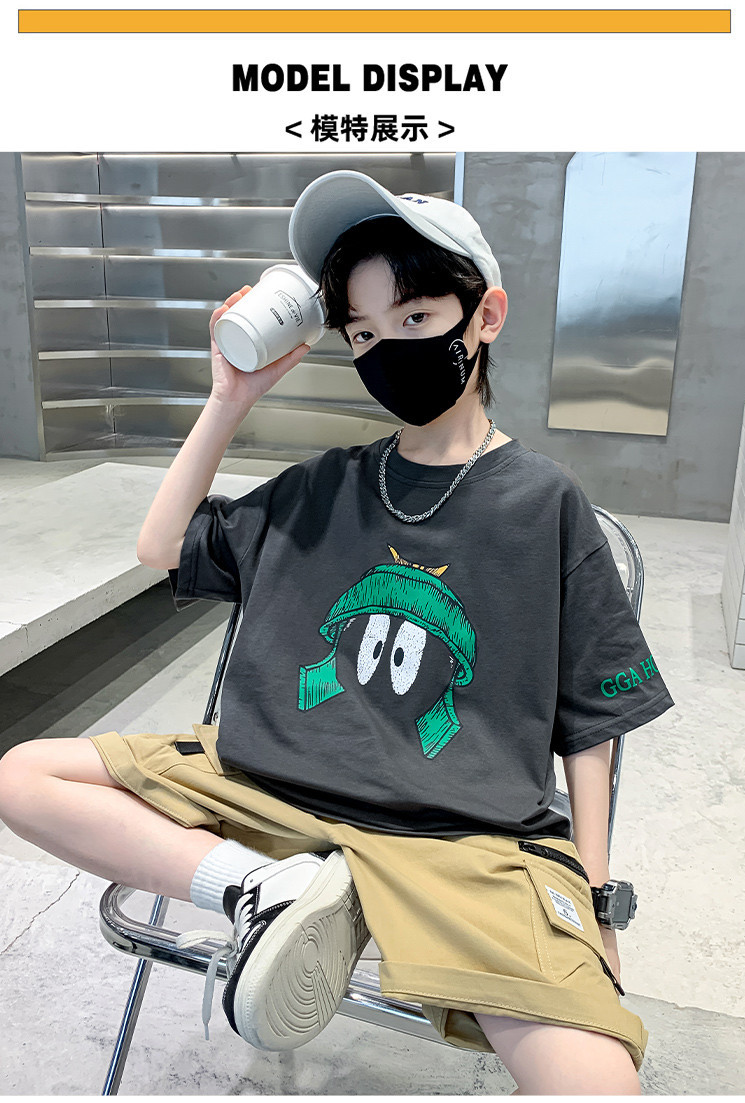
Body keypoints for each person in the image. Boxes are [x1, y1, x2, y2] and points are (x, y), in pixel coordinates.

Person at [0, 170, 674, 1094]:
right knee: (22, 773)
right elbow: (161, 546)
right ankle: (258, 890)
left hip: (463, 839)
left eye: (414, 317)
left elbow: (592, 716)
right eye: (361, 333)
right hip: (269, 792)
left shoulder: (543, 501)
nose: (386, 348)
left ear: (485, 316)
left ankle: (319, 896)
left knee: (597, 1081)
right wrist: (230, 397)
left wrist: (593, 902)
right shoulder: (323, 485)